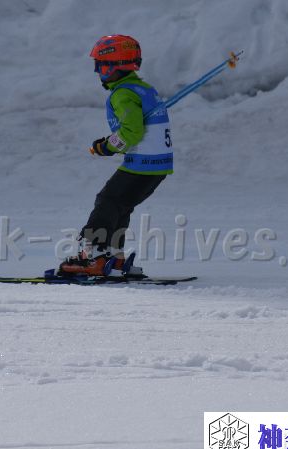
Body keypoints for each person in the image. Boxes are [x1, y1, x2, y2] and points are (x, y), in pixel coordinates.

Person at [59, 35, 173, 276]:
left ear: (116, 66)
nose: (97, 72)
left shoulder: (122, 93)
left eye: (101, 66)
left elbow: (132, 132)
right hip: (158, 166)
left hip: (142, 163)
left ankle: (94, 256)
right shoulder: (144, 89)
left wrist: (107, 147)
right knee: (121, 206)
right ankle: (114, 257)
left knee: (107, 201)